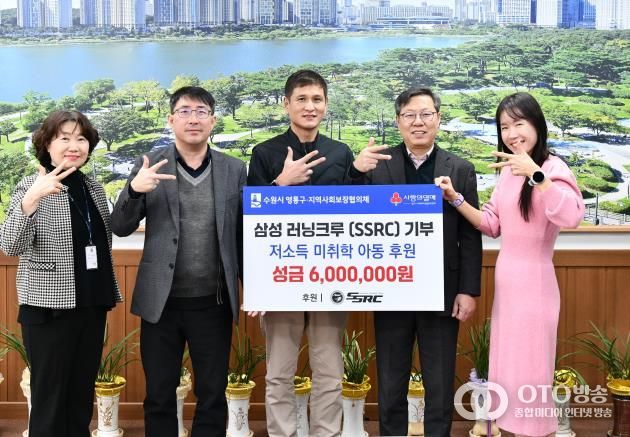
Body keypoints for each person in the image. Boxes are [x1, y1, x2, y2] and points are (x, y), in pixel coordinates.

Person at [247, 69, 388, 436]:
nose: (310, 106)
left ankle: (327, 432)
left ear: (325, 105)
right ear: (286, 104)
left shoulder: (340, 153)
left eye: (317, 99)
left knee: (329, 370)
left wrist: (357, 172)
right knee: (279, 371)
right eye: (302, 99)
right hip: (282, 280)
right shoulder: (264, 153)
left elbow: (353, 214)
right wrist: (281, 183)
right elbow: (251, 217)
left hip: (329, 280)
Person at [435, 92, 584, 437]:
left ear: (537, 125)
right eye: (504, 127)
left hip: (536, 287)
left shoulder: (552, 168)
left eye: (519, 124)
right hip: (508, 289)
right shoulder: (509, 172)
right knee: (509, 377)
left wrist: (536, 175)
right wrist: (455, 198)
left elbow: (572, 215)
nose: (512, 133)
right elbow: (492, 224)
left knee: (531, 374)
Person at [111, 86, 247, 437]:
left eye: (201, 112)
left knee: (212, 395)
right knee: (159, 395)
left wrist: (257, 287)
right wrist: (135, 190)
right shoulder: (150, 164)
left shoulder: (234, 169)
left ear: (213, 121)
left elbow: (243, 233)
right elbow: (120, 226)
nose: (193, 119)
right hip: (162, 304)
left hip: (214, 303)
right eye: (185, 111)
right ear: (171, 120)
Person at [352, 87, 483, 436]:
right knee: (390, 381)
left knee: (439, 382)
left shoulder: (461, 169)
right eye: (409, 115)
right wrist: (355, 171)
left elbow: (470, 235)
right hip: (391, 289)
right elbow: (351, 215)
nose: (418, 122)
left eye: (426, 114)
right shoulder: (378, 165)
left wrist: (468, 290)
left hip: (443, 292)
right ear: (399, 122)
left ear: (438, 119)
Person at [0, 110, 122, 437]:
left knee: (80, 398)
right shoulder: (31, 186)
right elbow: (10, 245)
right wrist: (31, 199)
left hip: (91, 304)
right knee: (51, 400)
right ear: (47, 145)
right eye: (64, 138)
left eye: (81, 138)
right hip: (49, 309)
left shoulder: (93, 187)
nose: (74, 146)